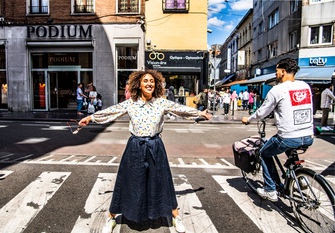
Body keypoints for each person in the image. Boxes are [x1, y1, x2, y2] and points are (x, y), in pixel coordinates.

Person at [78, 69, 211, 233]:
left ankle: (176, 217)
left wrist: (199, 113)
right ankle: (111, 218)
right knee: (127, 182)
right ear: (139, 85)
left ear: (156, 84)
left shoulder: (161, 102)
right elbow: (111, 111)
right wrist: (91, 118)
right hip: (135, 147)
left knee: (163, 182)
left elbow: (180, 109)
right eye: (145, 81)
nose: (149, 84)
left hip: (155, 146)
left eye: (152, 81)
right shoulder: (131, 103)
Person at [242, 58, 314, 202]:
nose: (276, 74)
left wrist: (248, 119)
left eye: (276, 71)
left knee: (263, 153)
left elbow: (262, 111)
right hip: (308, 136)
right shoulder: (305, 86)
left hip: (288, 137)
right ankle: (300, 178)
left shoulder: (278, 89)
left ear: (283, 71)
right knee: (291, 146)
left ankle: (270, 189)